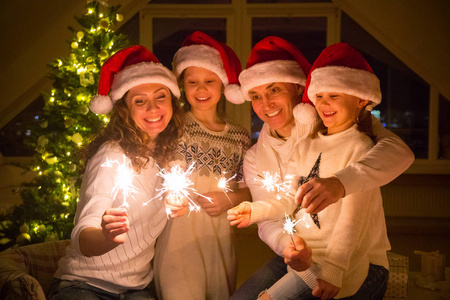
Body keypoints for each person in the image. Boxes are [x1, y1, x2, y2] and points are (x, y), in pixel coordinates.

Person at [229, 37, 414, 299]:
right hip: (297, 253)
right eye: (256, 96)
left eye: (273, 89)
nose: (266, 104)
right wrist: (288, 248)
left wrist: (340, 183)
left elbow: (399, 153)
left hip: (356, 260)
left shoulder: (339, 126)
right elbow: (276, 211)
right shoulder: (258, 156)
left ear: (297, 88)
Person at [47, 45, 184, 300]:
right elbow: (83, 237)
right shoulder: (111, 155)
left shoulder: (169, 157)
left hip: (137, 289)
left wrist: (182, 204)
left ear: (173, 102)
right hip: (84, 285)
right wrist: (107, 237)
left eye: (160, 97)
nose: (153, 109)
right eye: (140, 101)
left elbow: (180, 189)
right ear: (125, 110)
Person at [153, 31, 251, 300]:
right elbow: (155, 179)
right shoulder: (172, 127)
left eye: (210, 81)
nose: (201, 89)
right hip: (177, 244)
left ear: (223, 85)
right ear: (182, 85)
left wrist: (228, 199)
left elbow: (250, 190)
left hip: (218, 244)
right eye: (192, 81)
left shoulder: (239, 137)